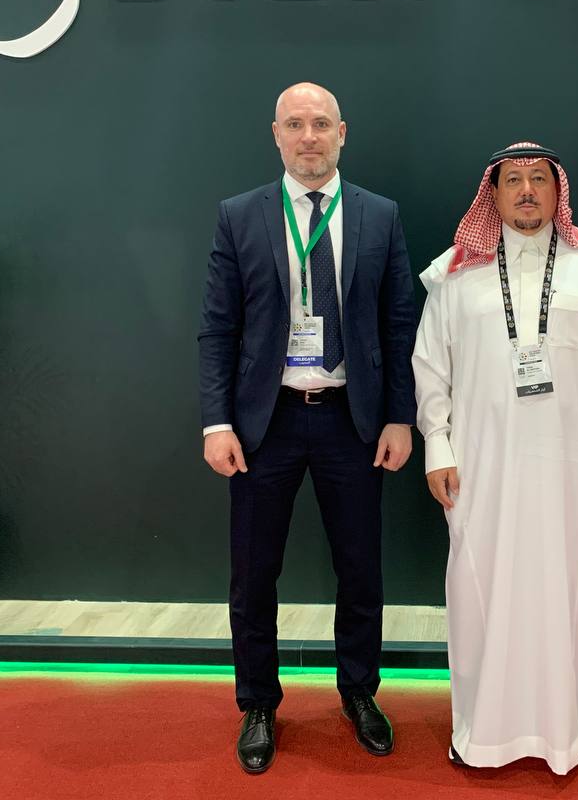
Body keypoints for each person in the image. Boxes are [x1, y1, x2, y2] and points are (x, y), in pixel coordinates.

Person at [198, 82, 417, 774]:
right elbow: (218, 329)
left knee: (361, 569)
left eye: (321, 123)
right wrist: (216, 422)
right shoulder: (240, 216)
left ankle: (359, 692)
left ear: (342, 133)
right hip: (265, 425)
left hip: (354, 421)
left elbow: (400, 324)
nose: (309, 136)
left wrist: (400, 415)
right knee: (253, 573)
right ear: (276, 135)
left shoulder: (380, 215)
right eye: (295, 124)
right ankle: (259, 703)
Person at [412, 142, 578, 774]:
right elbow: (430, 367)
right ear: (492, 195)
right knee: (481, 587)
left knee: (576, 591)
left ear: (556, 190)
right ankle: (482, 728)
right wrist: (437, 443)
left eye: (537, 179)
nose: (525, 191)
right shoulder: (455, 274)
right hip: (481, 467)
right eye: (512, 180)